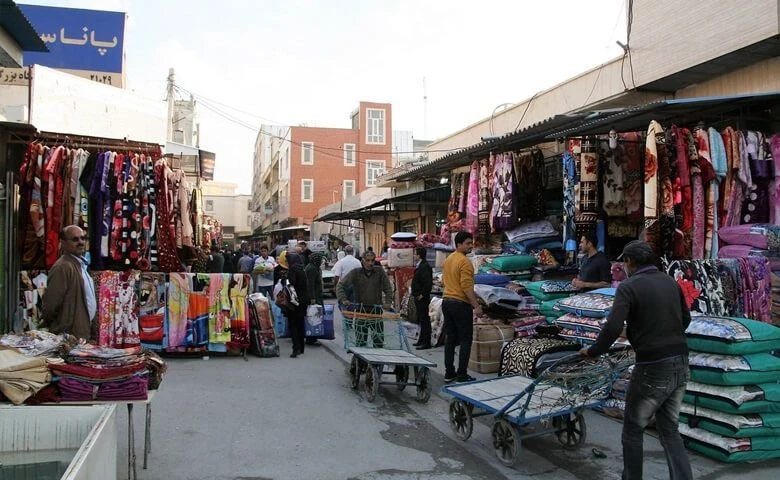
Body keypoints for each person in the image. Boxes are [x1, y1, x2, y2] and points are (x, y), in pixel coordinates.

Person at [580, 240, 692, 480]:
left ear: (630, 262)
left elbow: (612, 327)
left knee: (633, 429)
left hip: (653, 366)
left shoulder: (629, 287)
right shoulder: (670, 282)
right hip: (681, 362)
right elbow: (686, 319)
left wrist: (593, 351)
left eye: (624, 262)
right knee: (670, 429)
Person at [41, 225, 96, 340]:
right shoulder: (63, 267)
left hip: (81, 334)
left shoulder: (81, 265)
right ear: (63, 243)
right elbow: (51, 305)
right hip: (69, 336)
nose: (80, 242)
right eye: (75, 239)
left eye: (82, 238)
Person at [441, 231, 482, 383]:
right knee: (465, 340)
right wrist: (476, 305)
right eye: (467, 243)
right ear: (458, 245)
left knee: (450, 338)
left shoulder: (449, 259)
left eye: (471, 243)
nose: (470, 246)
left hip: (447, 301)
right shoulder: (465, 262)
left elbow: (444, 282)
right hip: (460, 303)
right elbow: (466, 287)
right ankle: (462, 374)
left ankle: (449, 373)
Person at [336, 250, 393, 348]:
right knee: (361, 341)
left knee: (378, 340)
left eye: (372, 260)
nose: (370, 263)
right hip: (360, 311)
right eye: (367, 260)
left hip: (376, 311)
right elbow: (341, 285)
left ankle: (377, 362)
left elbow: (387, 288)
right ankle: (361, 362)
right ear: (363, 261)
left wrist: (388, 302)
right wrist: (343, 299)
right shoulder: (356, 272)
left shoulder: (379, 271)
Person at [276, 251, 310, 357]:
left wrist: (284, 279)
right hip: (303, 301)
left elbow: (291, 284)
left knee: (293, 325)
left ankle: (296, 349)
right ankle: (301, 348)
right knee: (300, 325)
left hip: (294, 302)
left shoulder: (293, 270)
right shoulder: (302, 269)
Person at [411, 247, 433, 350]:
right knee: (421, 319)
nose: (414, 255)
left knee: (424, 319)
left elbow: (427, 284)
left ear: (419, 255)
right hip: (418, 296)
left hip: (422, 298)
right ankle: (421, 340)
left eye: (415, 254)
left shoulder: (424, 267)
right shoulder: (420, 265)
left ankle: (426, 342)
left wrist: (422, 295)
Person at [304, 252, 325, 346]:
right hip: (314, 296)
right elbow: (310, 285)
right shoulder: (311, 269)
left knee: (314, 316)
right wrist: (312, 298)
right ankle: (311, 337)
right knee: (313, 316)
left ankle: (313, 336)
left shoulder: (313, 267)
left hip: (316, 295)